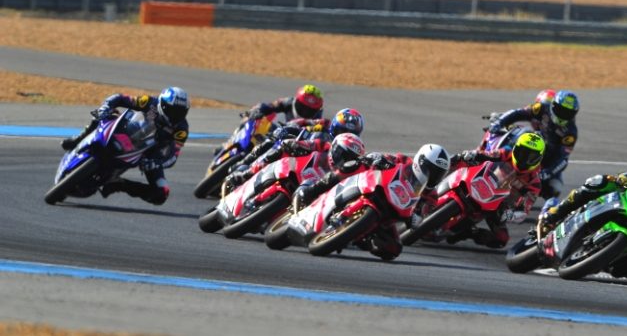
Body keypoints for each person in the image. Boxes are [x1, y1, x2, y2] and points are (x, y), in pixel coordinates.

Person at [293, 143, 451, 261]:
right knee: (354, 165)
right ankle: (314, 189)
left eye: (439, 174)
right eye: (431, 170)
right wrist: (378, 158)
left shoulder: (431, 195)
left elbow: (424, 210)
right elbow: (388, 157)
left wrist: (417, 218)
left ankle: (357, 238)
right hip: (376, 188)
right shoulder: (404, 162)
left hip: (390, 214)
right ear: (420, 162)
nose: (433, 176)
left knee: (393, 250)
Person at [60, 87, 191, 205]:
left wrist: (157, 163)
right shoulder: (149, 102)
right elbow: (120, 98)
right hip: (129, 129)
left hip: (148, 154)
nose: (176, 115)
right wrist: (106, 106)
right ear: (163, 104)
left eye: (180, 112)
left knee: (161, 193)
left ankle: (118, 184)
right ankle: (78, 139)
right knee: (106, 114)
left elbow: (173, 155)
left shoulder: (181, 130)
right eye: (173, 110)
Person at [426, 130, 545, 248]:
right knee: (459, 159)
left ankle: (468, 232)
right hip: (483, 182)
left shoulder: (534, 182)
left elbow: (524, 210)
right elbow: (488, 154)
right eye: (522, 152)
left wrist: (509, 215)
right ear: (515, 148)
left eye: (531, 156)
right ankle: (429, 184)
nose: (525, 158)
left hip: (498, 206)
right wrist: (472, 155)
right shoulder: (506, 153)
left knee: (501, 239)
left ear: (539, 158)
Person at [489, 90, 580, 212]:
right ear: (553, 105)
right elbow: (518, 113)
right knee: (523, 133)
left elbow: (563, 160)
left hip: (546, 160)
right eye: (561, 110)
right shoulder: (541, 108)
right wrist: (499, 123)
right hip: (530, 146)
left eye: (568, 113)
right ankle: (493, 160)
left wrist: (547, 173)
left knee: (555, 187)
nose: (563, 115)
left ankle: (536, 210)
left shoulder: (570, 132)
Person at [228, 108, 364, 185]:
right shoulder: (324, 125)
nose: (343, 135)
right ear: (334, 126)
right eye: (341, 130)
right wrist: (289, 127)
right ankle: (246, 168)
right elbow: (304, 122)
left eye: (349, 133)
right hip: (299, 149)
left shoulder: (349, 147)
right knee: (273, 142)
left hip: (314, 171)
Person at [245, 84, 325, 122]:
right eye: (303, 107)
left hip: (298, 142)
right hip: (277, 133)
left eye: (310, 110)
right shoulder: (287, 102)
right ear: (297, 101)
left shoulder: (318, 116)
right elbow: (268, 106)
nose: (305, 112)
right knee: (248, 120)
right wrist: (257, 110)